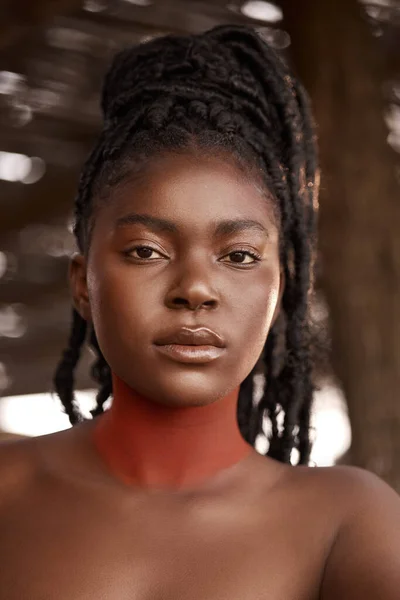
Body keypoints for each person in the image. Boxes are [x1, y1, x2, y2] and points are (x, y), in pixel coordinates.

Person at [0, 24, 399, 600]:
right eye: (146, 251)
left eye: (238, 255)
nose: (195, 288)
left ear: (278, 289)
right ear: (83, 284)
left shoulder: (347, 523)